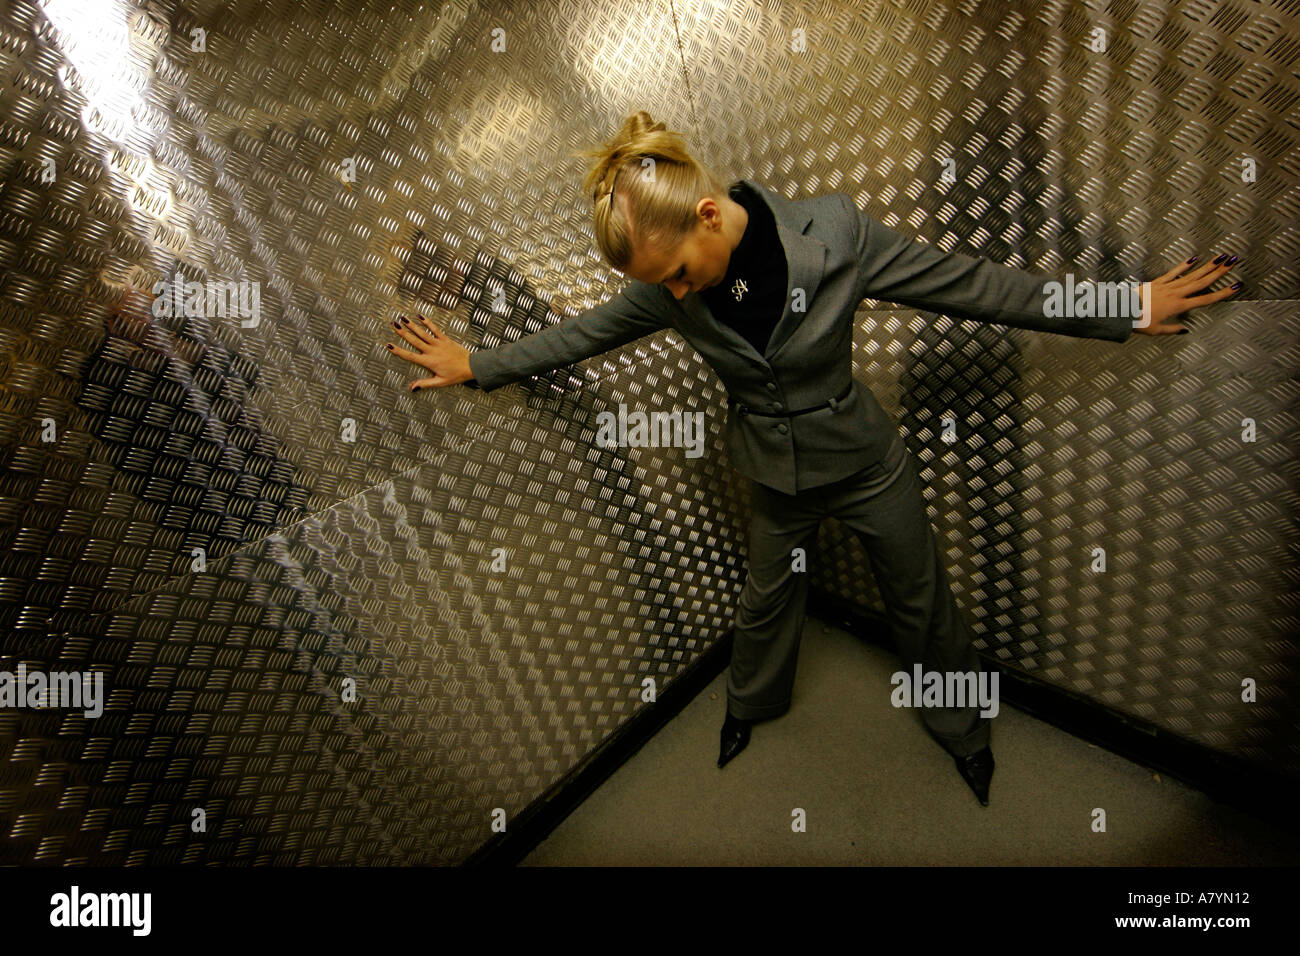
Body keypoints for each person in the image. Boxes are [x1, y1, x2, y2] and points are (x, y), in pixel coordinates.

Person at [384, 111, 1242, 806]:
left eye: (679, 272)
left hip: (867, 463)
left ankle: (965, 737)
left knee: (921, 600)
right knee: (767, 601)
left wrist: (1122, 303)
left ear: (710, 215)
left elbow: (980, 285)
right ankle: (750, 709)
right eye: (661, 285)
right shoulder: (666, 290)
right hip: (775, 476)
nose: (673, 296)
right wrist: (475, 364)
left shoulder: (834, 235)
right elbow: (579, 337)